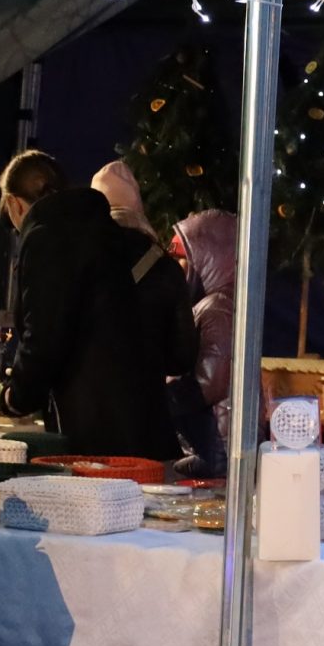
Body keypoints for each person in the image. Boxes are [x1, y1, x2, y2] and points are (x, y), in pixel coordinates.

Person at [0, 151, 184, 458]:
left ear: (16, 204)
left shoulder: (46, 239)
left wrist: (16, 396)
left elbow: (43, 334)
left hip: (93, 427)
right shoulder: (107, 231)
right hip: (145, 421)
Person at [88, 159, 209, 470]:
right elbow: (181, 357)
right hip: (146, 427)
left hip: (84, 428)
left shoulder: (79, 262)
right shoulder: (164, 266)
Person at [173, 209, 240, 472]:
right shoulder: (209, 306)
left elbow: (208, 384)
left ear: (206, 258)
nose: (178, 268)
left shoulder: (217, 309)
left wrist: (159, 399)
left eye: (182, 259)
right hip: (209, 444)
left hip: (214, 449)